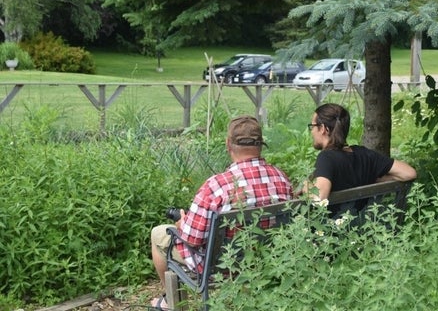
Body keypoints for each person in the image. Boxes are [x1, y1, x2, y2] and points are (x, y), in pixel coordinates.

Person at [150, 115, 293, 310]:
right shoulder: (281, 179)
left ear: (228, 144)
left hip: (220, 266)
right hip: (268, 259)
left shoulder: (216, 186)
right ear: (261, 144)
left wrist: (182, 223)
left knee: (158, 233)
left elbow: (192, 240)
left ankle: (168, 300)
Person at [302, 103, 417, 219]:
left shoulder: (326, 158)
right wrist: (374, 178)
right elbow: (409, 173)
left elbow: (319, 199)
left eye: (312, 126)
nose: (311, 131)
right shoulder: (364, 154)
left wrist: (306, 185)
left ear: (322, 129)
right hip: (361, 227)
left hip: (332, 232)